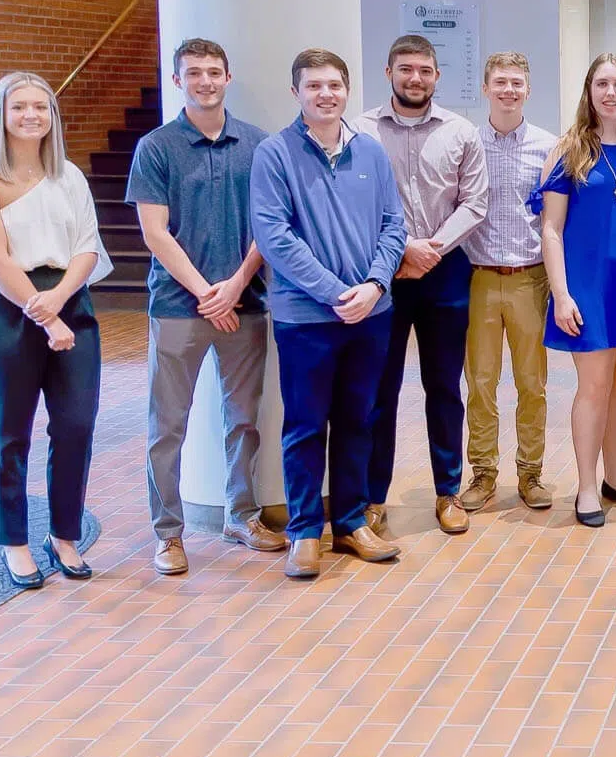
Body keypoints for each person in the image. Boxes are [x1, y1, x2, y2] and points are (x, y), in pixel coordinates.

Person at [126, 38, 282, 577]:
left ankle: (242, 515)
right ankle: (167, 534)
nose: (205, 81)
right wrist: (206, 293)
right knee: (167, 425)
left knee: (244, 419)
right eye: (194, 73)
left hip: (247, 303)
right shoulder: (156, 147)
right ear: (178, 81)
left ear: (228, 77)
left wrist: (236, 285)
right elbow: (155, 233)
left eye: (214, 72)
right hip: (176, 306)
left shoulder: (259, 146)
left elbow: (270, 226)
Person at [251, 49, 407, 579]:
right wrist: (337, 292)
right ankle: (303, 531)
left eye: (335, 85)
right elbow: (275, 237)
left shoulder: (371, 153)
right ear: (296, 92)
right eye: (314, 85)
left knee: (359, 420)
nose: (326, 94)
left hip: (372, 313)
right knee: (304, 425)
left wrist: (373, 284)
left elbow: (394, 225)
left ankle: (349, 521)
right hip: (306, 318)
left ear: (347, 90)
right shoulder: (275, 155)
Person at [0, 72, 110, 589]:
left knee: (76, 424)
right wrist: (43, 315)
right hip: (6, 310)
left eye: (40, 107)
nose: (30, 116)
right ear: (1, 114)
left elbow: (89, 246)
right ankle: (14, 543)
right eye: (19, 106)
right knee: (8, 432)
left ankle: (64, 535)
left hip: (69, 300)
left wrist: (61, 303)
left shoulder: (69, 174)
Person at [353, 35, 488, 537]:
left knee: (444, 387)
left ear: (437, 76)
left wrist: (429, 248)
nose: (416, 78)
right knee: (378, 390)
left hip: (446, 271)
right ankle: (371, 497)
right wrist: (402, 249)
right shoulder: (360, 130)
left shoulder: (460, 132)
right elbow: (354, 203)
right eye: (406, 69)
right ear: (389, 72)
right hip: (381, 274)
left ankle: (448, 492)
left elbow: (475, 202)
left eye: (425, 70)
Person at [535, 53, 616, 528]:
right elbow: (551, 229)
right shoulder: (570, 150)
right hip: (586, 285)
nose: (610, 93)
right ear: (589, 91)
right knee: (595, 385)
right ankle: (586, 486)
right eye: (602, 83)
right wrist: (562, 294)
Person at [459, 52, 559, 514]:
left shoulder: (548, 146)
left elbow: (556, 217)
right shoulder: (467, 143)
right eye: (500, 82)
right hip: (479, 277)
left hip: (529, 278)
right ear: (485, 88)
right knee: (480, 381)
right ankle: (482, 474)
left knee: (532, 384)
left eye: (517, 82)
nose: (508, 90)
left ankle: (531, 473)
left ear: (528, 90)